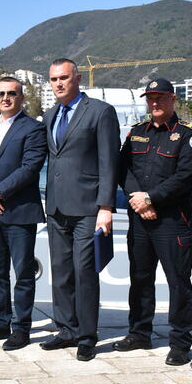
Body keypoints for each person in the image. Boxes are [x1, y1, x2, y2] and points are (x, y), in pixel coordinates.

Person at [116, 78, 192, 366]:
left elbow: (183, 178)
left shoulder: (189, 136)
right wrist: (138, 201)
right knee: (140, 279)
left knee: (178, 282)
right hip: (140, 218)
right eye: (150, 98)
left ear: (173, 100)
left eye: (160, 98)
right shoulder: (137, 133)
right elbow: (123, 169)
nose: (154, 103)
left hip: (172, 221)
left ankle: (180, 343)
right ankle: (139, 333)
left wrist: (150, 199)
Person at [42, 58, 120, 361]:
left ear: (77, 79)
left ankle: (87, 335)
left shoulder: (100, 112)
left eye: (63, 78)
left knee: (85, 271)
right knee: (61, 272)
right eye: (53, 79)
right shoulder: (49, 115)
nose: (58, 83)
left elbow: (108, 162)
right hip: (57, 207)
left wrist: (106, 206)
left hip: (89, 208)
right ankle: (66, 329)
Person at [0, 76, 47, 350]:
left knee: (23, 274)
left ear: (21, 97)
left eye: (12, 93)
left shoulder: (34, 129)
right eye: (1, 93)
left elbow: (30, 168)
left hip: (20, 212)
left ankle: (22, 328)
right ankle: (1, 322)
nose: (6, 98)